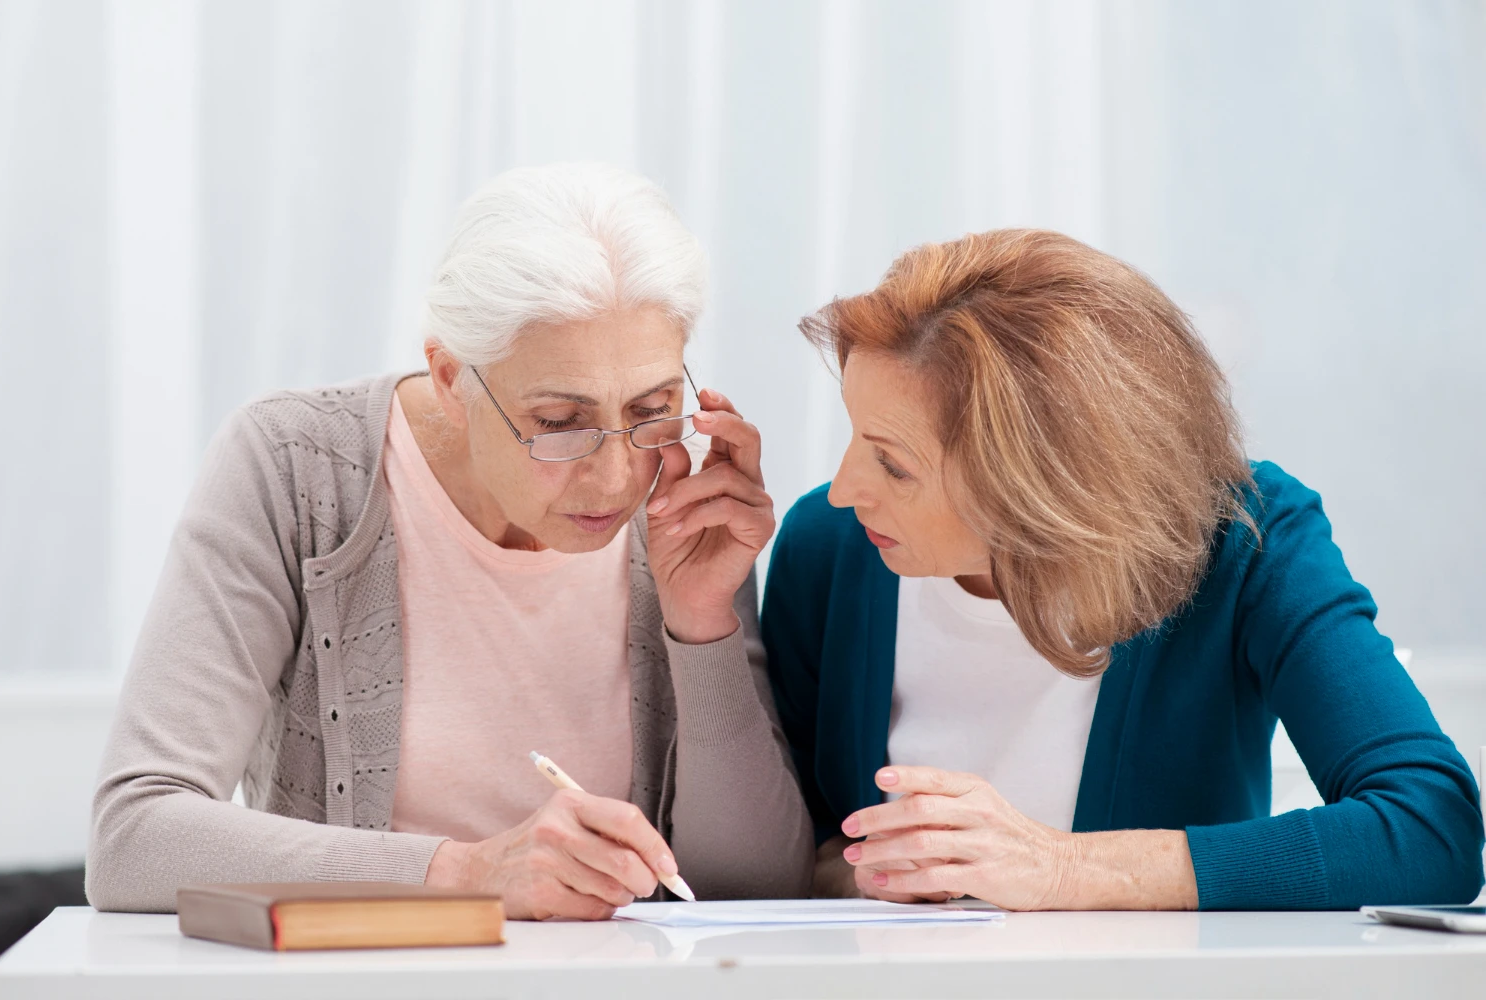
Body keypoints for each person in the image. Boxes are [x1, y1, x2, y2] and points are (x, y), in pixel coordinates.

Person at [87, 163, 812, 918]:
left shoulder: (681, 502)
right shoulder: (295, 467)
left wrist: (702, 623)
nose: (614, 478)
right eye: (561, 423)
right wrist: (465, 875)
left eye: (652, 406)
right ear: (449, 379)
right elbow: (133, 839)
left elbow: (754, 893)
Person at [761, 229, 1484, 910]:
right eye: (856, 435)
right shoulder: (829, 550)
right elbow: (793, 848)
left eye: (893, 463)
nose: (842, 489)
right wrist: (862, 873)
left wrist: (1061, 868)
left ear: (1038, 480)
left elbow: (1430, 829)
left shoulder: (1247, 542)